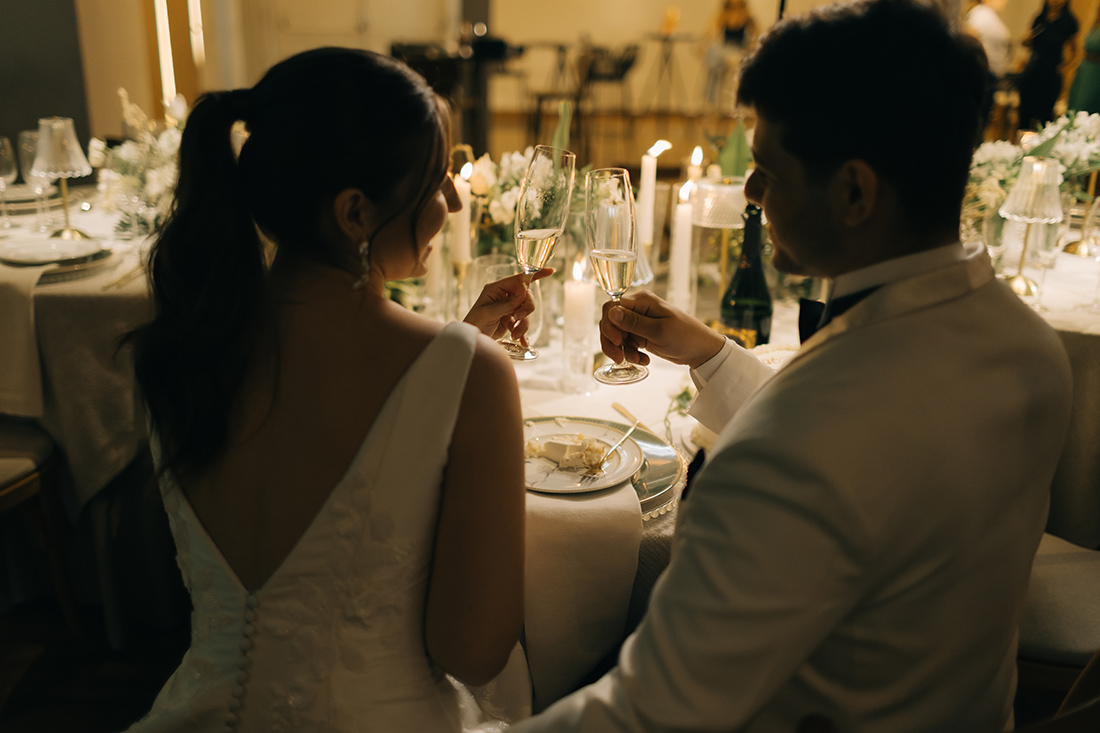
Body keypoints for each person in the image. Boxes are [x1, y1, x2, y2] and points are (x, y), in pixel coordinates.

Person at [511, 0, 1073, 730]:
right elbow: (882, 454)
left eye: (768, 171)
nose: (750, 193)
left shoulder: (789, 449)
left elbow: (653, 709)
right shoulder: (1034, 350)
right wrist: (713, 355)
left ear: (854, 192)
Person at [124, 48, 548, 731]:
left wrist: (451, 361)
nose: (454, 200)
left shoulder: (180, 353)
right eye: (436, 181)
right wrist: (462, 371)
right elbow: (472, 652)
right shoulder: (474, 376)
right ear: (354, 213)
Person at [1018, 0, 1079, 130]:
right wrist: (1026, 42)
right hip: (1034, 69)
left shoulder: (1069, 21)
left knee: (1044, 113)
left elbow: (1075, 50)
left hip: (1051, 71)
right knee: (1025, 109)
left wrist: (1065, 66)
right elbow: (1030, 42)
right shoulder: (1040, 18)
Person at [702, 0, 758, 112]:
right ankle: (711, 99)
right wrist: (703, 45)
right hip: (724, 49)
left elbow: (757, 34)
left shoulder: (747, 16)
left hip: (738, 50)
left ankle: (712, 98)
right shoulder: (723, 15)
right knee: (712, 53)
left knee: (714, 57)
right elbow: (709, 32)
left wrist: (752, 47)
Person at [966, 0, 1012, 79]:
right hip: (984, 73)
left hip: (990, 73)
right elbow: (969, 39)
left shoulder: (988, 14)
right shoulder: (981, 13)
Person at [1068, 6, 1100, 113]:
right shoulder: (1094, 25)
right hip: (1084, 70)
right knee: (1076, 102)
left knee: (1087, 105)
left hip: (1096, 72)